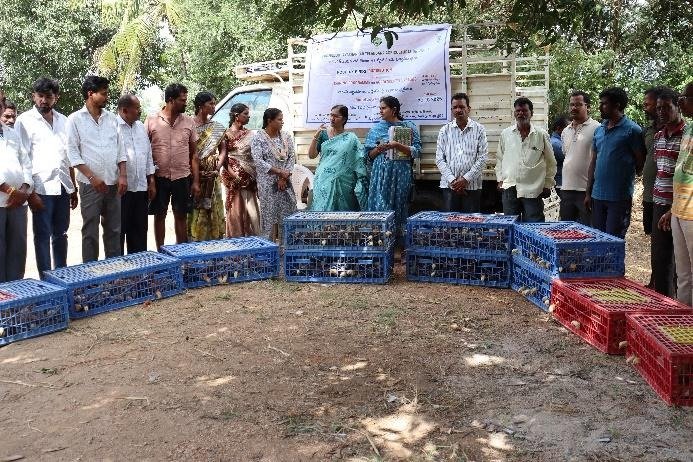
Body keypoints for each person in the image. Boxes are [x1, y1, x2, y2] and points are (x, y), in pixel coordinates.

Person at [14, 77, 78, 276]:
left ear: (56, 98)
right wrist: (31, 193)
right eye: (40, 96)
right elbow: (22, 158)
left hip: (63, 187)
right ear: (34, 96)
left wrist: (73, 188)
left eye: (48, 96)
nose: (43, 100)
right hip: (40, 188)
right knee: (42, 236)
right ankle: (47, 280)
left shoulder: (64, 121)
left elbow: (67, 157)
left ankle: (62, 276)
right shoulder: (24, 121)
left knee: (61, 234)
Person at [66, 76, 127, 262]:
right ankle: (91, 273)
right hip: (89, 185)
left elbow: (121, 150)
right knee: (90, 231)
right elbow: (73, 154)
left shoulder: (112, 119)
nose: (107, 97)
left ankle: (115, 271)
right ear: (90, 93)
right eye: (103, 93)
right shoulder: (74, 120)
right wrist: (92, 178)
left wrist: (123, 176)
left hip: (113, 183)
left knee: (114, 230)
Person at [146, 83, 200, 248]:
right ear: (171, 100)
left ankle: (181, 253)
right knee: (159, 215)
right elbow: (145, 153)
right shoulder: (151, 121)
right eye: (182, 100)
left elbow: (194, 154)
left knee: (181, 216)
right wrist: (151, 181)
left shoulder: (189, 122)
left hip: (182, 177)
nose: (185, 103)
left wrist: (196, 182)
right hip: (159, 177)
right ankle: (161, 253)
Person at [586, 87, 645, 238]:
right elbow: (593, 162)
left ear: (617, 105)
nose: (600, 107)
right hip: (597, 195)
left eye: (604, 103)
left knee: (614, 240)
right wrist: (588, 193)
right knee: (597, 238)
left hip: (619, 198)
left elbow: (640, 162)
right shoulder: (599, 130)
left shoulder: (632, 130)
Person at [365, 96, 422, 235]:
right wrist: (378, 149)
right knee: (381, 206)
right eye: (380, 108)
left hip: (401, 174)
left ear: (394, 109)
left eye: (383, 108)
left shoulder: (408, 127)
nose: (380, 111)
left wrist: (397, 145)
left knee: (400, 205)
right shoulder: (376, 129)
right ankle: (380, 239)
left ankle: (398, 242)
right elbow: (368, 156)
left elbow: (417, 151)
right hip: (381, 176)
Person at [649, 88, 686, 297]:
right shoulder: (658, 136)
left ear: (678, 106)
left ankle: (680, 307)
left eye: (666, 107)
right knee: (660, 259)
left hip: (681, 207)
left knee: (681, 263)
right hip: (659, 202)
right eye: (658, 108)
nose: (661, 112)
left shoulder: (687, 135)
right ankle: (662, 304)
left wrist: (674, 207)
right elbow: (660, 169)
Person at [495, 97, 556, 222]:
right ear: (514, 113)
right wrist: (500, 180)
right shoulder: (506, 134)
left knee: (533, 226)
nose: (521, 113)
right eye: (518, 111)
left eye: (524, 111)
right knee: (511, 225)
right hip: (510, 187)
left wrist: (548, 184)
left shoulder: (541, 134)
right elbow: (500, 158)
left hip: (533, 189)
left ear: (531, 113)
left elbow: (551, 162)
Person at [435, 93, 488, 213]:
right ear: (451, 110)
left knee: (471, 222)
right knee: (450, 222)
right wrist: (454, 182)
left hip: (472, 186)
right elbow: (439, 159)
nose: (458, 110)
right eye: (455, 107)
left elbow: (483, 158)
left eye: (462, 107)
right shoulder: (444, 131)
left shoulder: (479, 129)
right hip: (449, 186)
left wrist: (465, 179)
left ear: (468, 109)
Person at [308, 104, 367, 211]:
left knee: (344, 214)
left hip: (344, 181)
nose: (332, 118)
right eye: (331, 115)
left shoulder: (351, 138)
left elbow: (358, 160)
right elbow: (312, 156)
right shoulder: (323, 134)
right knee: (323, 210)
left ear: (344, 119)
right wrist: (315, 136)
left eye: (336, 116)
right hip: (324, 179)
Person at [117, 94, 156, 254]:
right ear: (125, 110)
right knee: (119, 231)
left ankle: (139, 266)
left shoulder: (140, 126)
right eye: (137, 108)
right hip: (121, 190)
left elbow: (148, 155)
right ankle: (119, 267)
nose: (140, 111)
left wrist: (151, 181)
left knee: (139, 231)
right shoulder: (113, 127)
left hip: (141, 188)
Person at [250, 108, 296, 241]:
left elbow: (291, 157)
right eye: (279, 119)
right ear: (269, 121)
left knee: (287, 215)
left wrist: (283, 177)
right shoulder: (258, 138)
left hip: (285, 182)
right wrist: (279, 172)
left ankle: (286, 247)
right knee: (268, 217)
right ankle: (268, 248)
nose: (282, 122)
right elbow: (258, 161)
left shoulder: (286, 137)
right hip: (267, 183)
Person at [187, 92, 226, 241]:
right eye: (211, 103)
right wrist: (195, 173)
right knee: (196, 207)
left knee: (213, 206)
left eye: (214, 103)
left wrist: (216, 169)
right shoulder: (189, 125)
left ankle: (214, 240)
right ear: (200, 106)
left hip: (212, 176)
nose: (214, 106)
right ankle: (195, 240)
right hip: (195, 175)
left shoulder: (217, 127)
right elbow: (186, 151)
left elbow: (223, 150)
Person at [0, 110, 33, 282]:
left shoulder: (12, 133)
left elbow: (26, 163)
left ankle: (16, 291)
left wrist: (24, 189)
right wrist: (11, 191)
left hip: (19, 201)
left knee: (17, 248)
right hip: (4, 199)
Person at [668, 82, 693, 305]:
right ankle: (684, 316)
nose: (680, 102)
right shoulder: (689, 129)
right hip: (679, 209)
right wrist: (672, 209)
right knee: (683, 274)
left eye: (683, 98)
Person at [560, 91, 600, 225]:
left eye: (578, 104)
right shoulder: (565, 131)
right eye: (571, 105)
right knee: (566, 230)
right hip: (566, 189)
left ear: (587, 107)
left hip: (586, 191)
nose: (574, 108)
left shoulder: (597, 128)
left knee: (588, 231)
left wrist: (590, 190)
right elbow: (567, 155)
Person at [221, 103, 260, 237]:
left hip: (249, 178)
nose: (249, 116)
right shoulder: (226, 134)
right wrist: (235, 176)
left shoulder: (250, 134)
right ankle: (236, 243)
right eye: (246, 114)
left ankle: (253, 241)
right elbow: (224, 159)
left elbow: (254, 157)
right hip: (233, 179)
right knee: (235, 211)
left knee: (251, 212)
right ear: (237, 116)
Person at [550, 115, 569, 193]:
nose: (570, 130)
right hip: (559, 182)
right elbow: (570, 160)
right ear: (558, 128)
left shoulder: (559, 141)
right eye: (568, 128)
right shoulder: (556, 144)